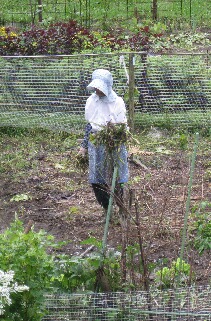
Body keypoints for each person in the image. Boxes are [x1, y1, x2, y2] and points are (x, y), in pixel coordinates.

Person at [79, 69, 129, 212]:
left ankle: (122, 208)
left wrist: (114, 132)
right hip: (96, 144)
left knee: (117, 177)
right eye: (96, 87)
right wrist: (83, 146)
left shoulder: (118, 102)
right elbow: (89, 125)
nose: (97, 90)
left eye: (100, 87)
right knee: (97, 179)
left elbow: (122, 127)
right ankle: (107, 208)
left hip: (114, 144)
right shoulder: (91, 100)